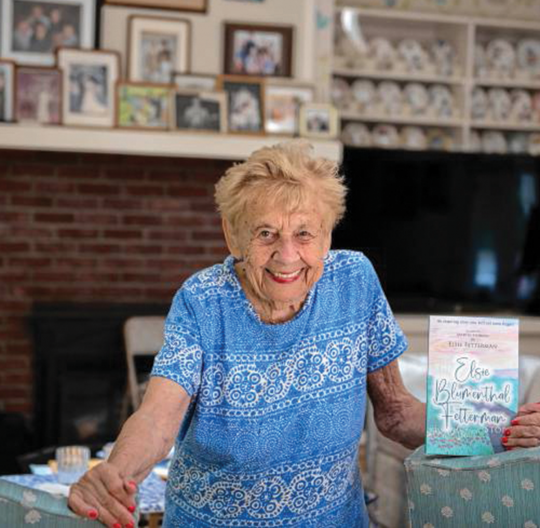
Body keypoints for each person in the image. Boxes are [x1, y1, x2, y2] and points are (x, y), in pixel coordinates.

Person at [68, 142, 540, 528]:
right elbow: (157, 420)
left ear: (329, 236)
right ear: (233, 237)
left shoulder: (355, 282)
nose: (287, 256)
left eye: (304, 234)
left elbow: (396, 413)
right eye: (266, 234)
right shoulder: (202, 300)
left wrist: (505, 431)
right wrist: (113, 474)